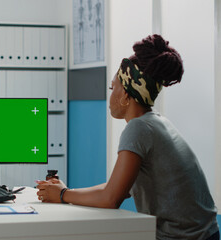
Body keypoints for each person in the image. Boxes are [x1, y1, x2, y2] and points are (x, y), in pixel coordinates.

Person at [36, 34, 219, 240]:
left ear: (126, 95)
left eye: (113, 87)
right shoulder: (155, 123)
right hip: (206, 234)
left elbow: (111, 198)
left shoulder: (139, 128)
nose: (110, 93)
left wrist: (62, 195)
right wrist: (65, 192)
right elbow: (117, 188)